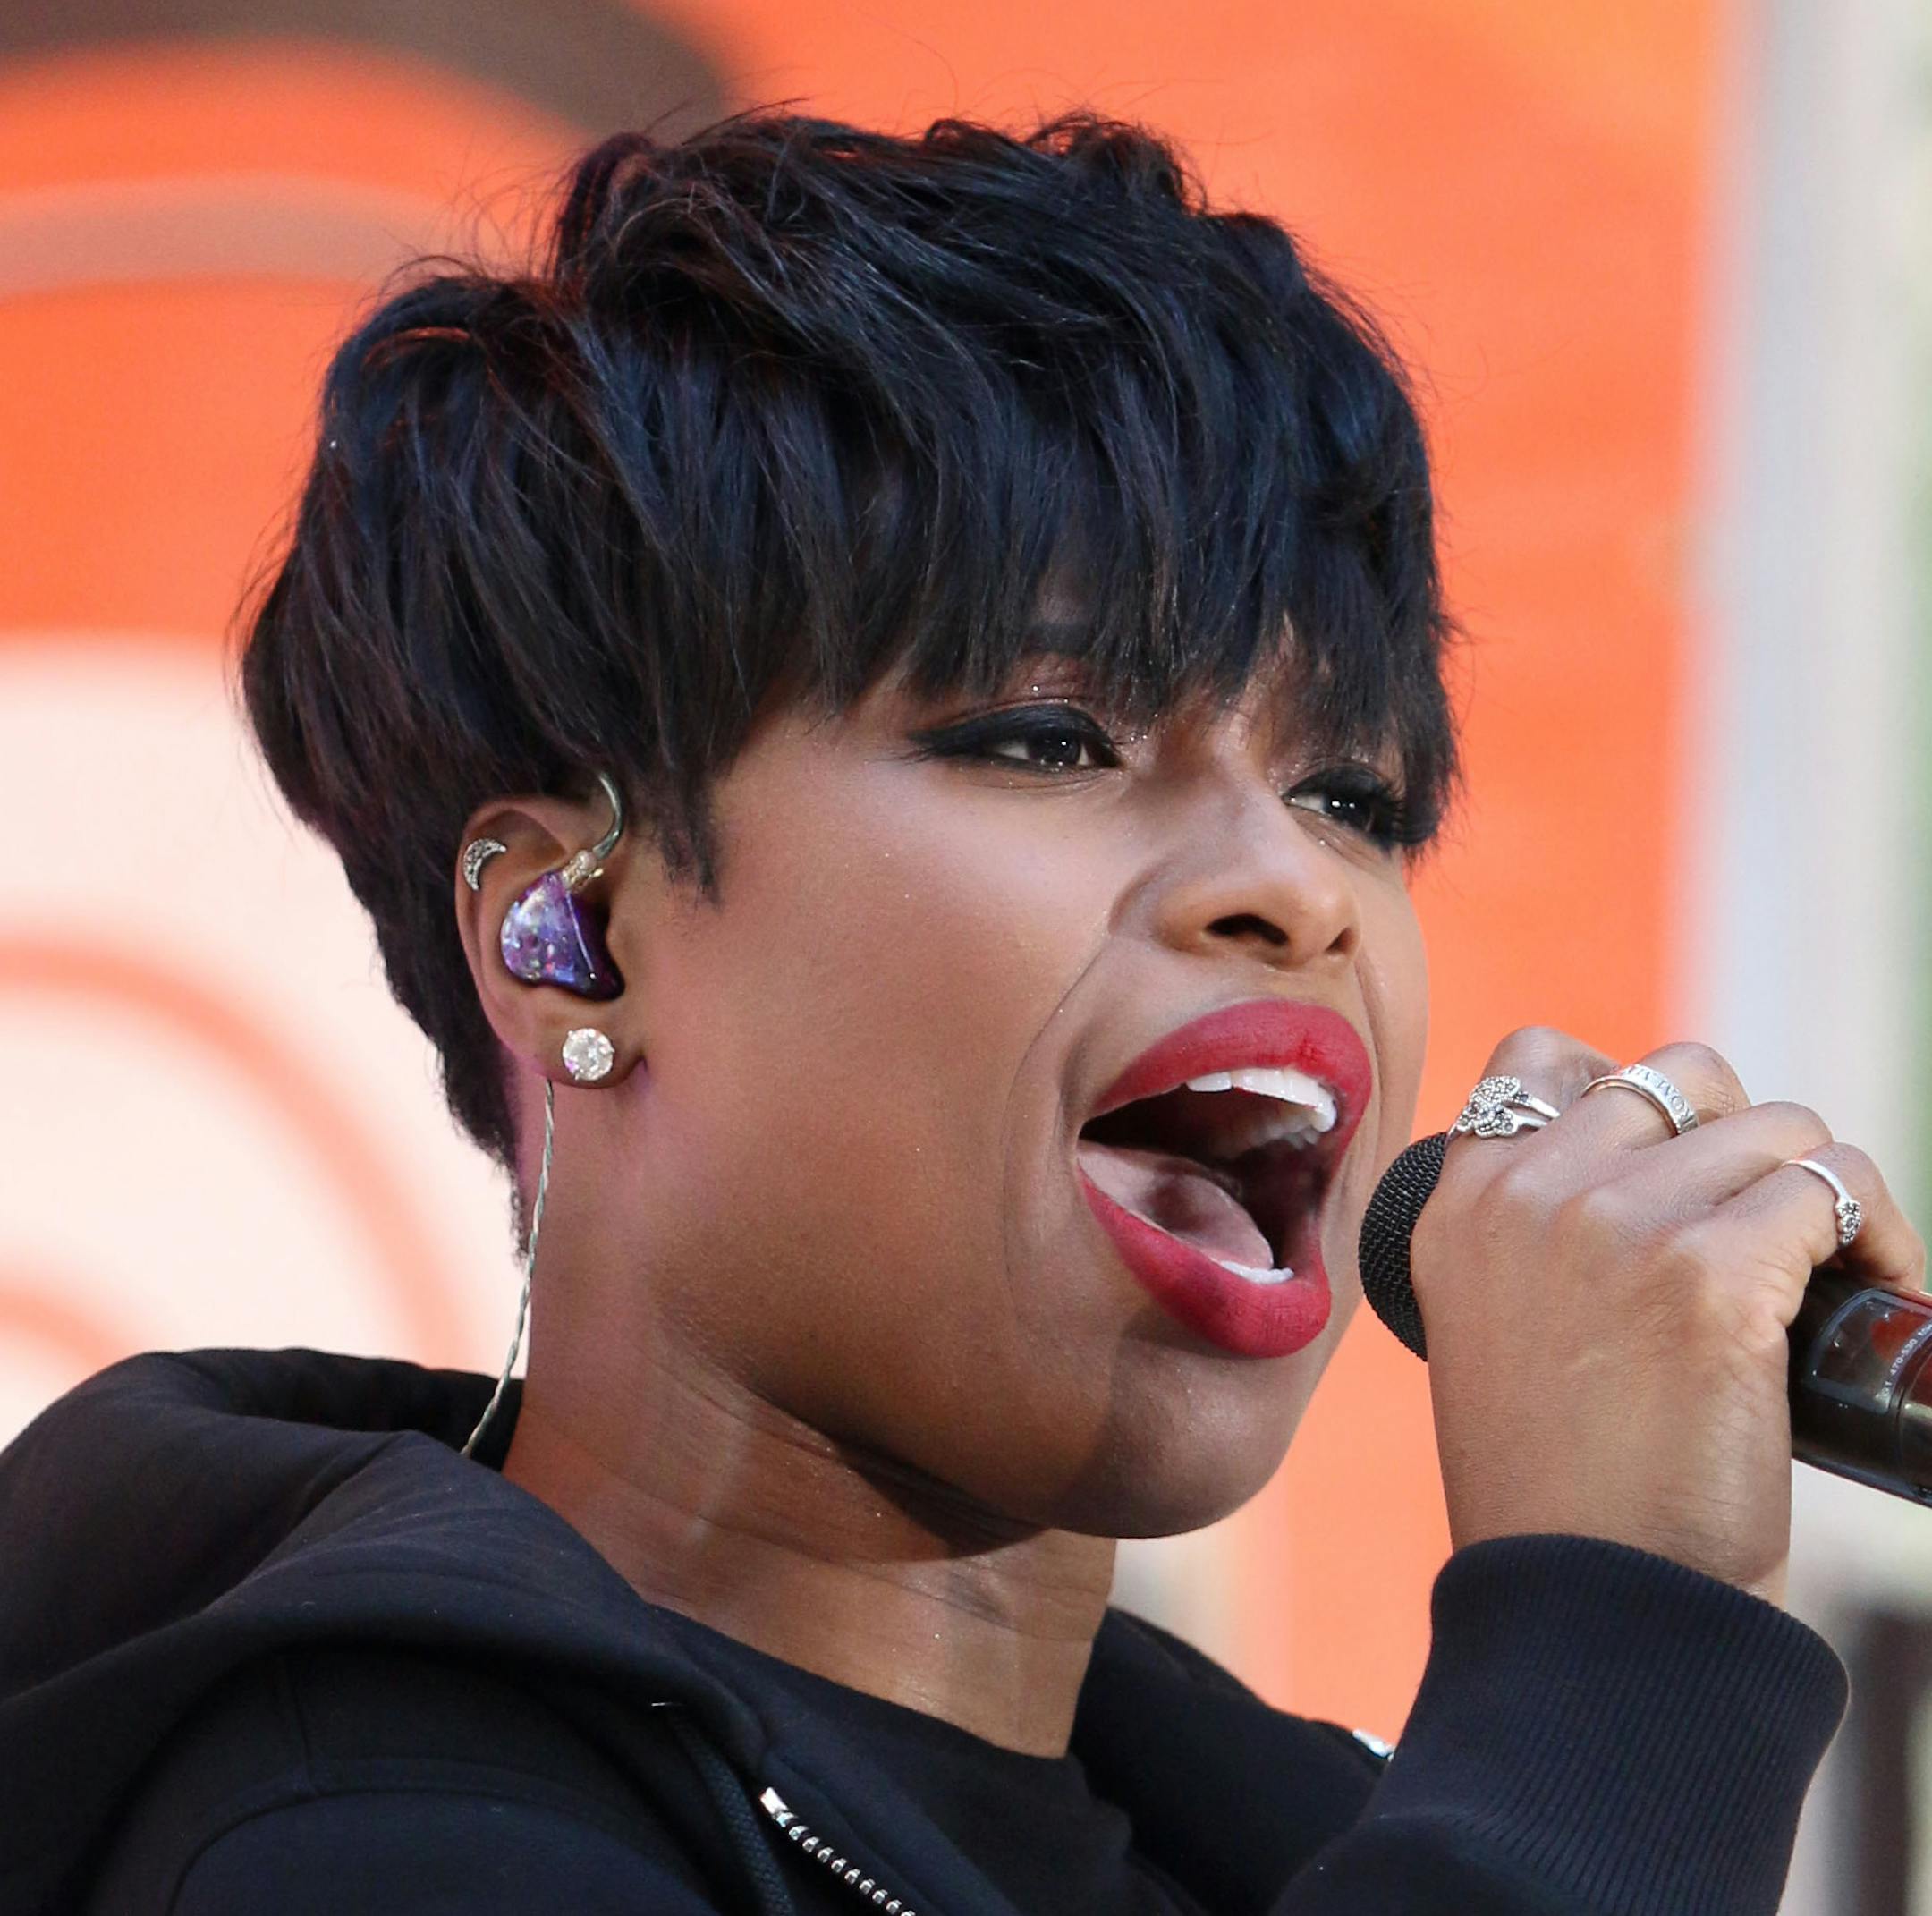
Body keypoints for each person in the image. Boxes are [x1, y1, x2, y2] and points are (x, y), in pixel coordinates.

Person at [0, 109, 1915, 1915]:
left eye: (1355, 794)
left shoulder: (1297, 1839)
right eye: (1049, 737)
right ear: (563, 937)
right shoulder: (364, 1835)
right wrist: (1614, 1651)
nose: (1299, 887)